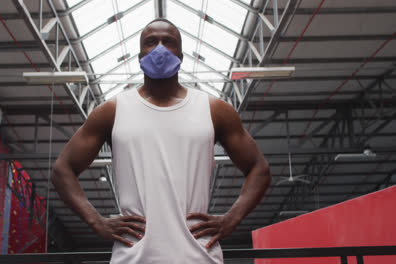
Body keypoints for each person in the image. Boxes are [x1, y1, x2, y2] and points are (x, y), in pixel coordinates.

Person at [52, 18, 271, 263]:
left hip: (199, 257)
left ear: (181, 54)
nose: (159, 48)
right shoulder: (113, 111)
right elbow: (63, 169)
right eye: (150, 42)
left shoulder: (214, 110)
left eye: (168, 42)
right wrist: (96, 221)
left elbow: (259, 169)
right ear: (139, 55)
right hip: (132, 257)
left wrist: (231, 219)